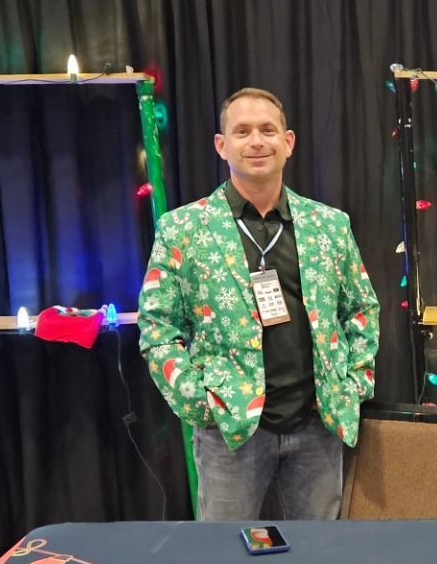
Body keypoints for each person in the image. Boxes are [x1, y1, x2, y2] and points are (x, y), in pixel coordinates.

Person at [139, 86, 379, 519]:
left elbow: (362, 309)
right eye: (242, 131)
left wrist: (354, 384)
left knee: (317, 560)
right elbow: (158, 329)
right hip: (230, 432)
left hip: (317, 428)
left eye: (268, 130)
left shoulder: (329, 226)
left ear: (288, 143)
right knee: (225, 563)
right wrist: (199, 402)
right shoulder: (183, 229)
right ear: (221, 145)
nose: (256, 141)